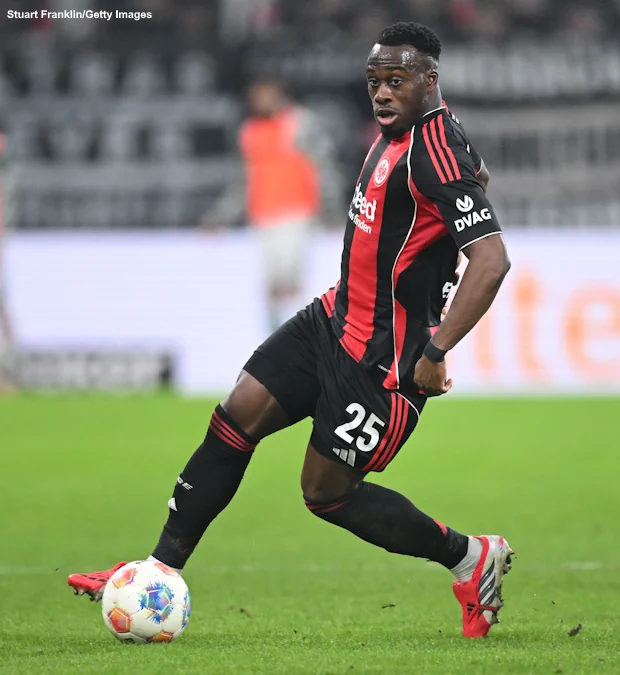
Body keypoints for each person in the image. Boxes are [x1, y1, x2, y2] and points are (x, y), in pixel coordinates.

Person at [69, 22, 513, 639]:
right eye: (375, 82)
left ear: (430, 80)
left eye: (397, 80)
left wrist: (436, 350)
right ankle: (156, 573)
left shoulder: (435, 153)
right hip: (331, 320)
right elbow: (465, 185)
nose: (382, 93)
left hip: (383, 362)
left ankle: (469, 557)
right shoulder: (400, 135)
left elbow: (491, 261)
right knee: (236, 416)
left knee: (326, 493)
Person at [202, 76, 343, 331]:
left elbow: (322, 164)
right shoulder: (250, 131)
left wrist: (332, 208)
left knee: (291, 278)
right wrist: (221, 216)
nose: (260, 100)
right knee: (271, 283)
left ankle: (301, 336)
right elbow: (244, 181)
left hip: (295, 211)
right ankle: (275, 337)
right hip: (263, 215)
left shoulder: (298, 123)